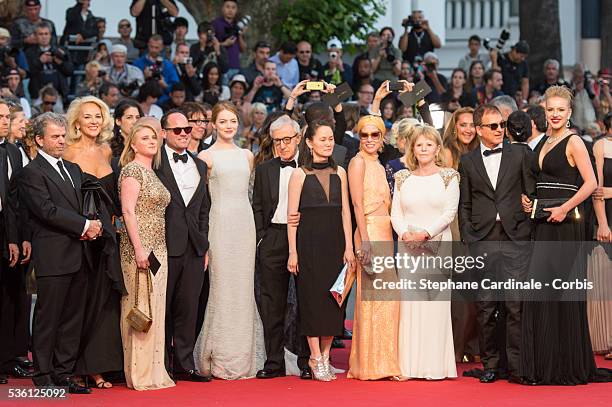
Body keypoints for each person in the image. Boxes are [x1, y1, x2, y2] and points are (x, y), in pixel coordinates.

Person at [520, 86, 602, 385]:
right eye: (550, 109)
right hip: (544, 221)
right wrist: (532, 203)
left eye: (560, 110)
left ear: (569, 113)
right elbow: (546, 183)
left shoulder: (574, 141)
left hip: (565, 226)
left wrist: (565, 208)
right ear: (544, 110)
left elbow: (591, 182)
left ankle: (563, 366)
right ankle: (544, 366)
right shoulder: (545, 140)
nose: (554, 114)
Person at [20, 112, 102, 394]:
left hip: (79, 252)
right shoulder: (31, 173)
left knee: (72, 318)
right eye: (54, 136)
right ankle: (43, 375)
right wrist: (84, 225)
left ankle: (64, 373)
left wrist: (93, 222)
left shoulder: (73, 169)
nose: (60, 141)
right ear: (39, 139)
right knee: (48, 317)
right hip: (53, 255)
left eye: (62, 136)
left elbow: (82, 203)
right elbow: (46, 211)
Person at [458, 103, 536, 384]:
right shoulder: (467, 162)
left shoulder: (520, 153)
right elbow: (464, 203)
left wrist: (528, 216)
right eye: (493, 126)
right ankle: (490, 364)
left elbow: (532, 191)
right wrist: (469, 235)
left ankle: (516, 367)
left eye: (502, 125)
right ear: (479, 130)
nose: (500, 130)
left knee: (515, 305)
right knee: (486, 306)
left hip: (515, 237)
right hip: (483, 240)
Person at [194, 101, 265, 379]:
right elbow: (201, 201)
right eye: (222, 121)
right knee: (222, 288)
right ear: (213, 124)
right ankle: (219, 356)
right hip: (219, 225)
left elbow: (250, 194)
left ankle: (246, 356)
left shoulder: (248, 155)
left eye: (232, 121)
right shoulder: (205, 157)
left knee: (244, 287)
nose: (228, 126)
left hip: (244, 226)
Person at [62, 96, 124, 389]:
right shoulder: (69, 151)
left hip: (109, 236)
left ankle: (96, 366)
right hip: (80, 235)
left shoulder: (106, 149)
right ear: (76, 121)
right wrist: (82, 227)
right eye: (87, 116)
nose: (93, 121)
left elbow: (113, 197)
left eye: (98, 116)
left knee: (104, 301)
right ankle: (72, 366)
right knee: (80, 301)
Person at [287, 119, 355, 381]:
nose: (328, 144)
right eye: (323, 139)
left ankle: (326, 355)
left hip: (336, 245)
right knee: (312, 301)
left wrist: (349, 247)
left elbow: (346, 212)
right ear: (310, 142)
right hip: (308, 245)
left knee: (333, 302)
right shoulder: (299, 174)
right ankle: (315, 356)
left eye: (330, 139)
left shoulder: (341, 172)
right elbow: (292, 216)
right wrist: (293, 252)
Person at [391, 124, 458, 380]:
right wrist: (405, 234)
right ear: (412, 149)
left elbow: (449, 213)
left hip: (438, 246)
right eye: (419, 145)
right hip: (408, 248)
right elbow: (396, 212)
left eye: (429, 144)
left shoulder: (449, 176)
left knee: (434, 304)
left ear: (437, 148)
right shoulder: (402, 178)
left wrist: (425, 234)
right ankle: (408, 366)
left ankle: (435, 366)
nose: (424, 149)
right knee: (411, 305)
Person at [252, 115, 312, 379]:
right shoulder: (265, 169)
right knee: (271, 303)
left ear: (299, 139)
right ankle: (274, 362)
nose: (282, 146)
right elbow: (258, 207)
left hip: (305, 237)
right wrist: (262, 237)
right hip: (273, 239)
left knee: (305, 302)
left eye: (287, 140)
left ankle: (306, 361)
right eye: (277, 141)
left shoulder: (312, 167)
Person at [155, 109, 212, 382]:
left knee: (188, 307)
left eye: (187, 130)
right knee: (162, 307)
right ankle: (161, 363)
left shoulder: (200, 165)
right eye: (176, 130)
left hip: (194, 248)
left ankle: (185, 363)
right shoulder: (154, 165)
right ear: (164, 132)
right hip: (163, 245)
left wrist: (204, 242)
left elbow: (203, 208)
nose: (183, 134)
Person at [118, 119, 174, 390]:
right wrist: (139, 248)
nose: (151, 141)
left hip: (159, 250)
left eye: (153, 137)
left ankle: (154, 372)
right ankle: (138, 375)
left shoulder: (153, 172)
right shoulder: (132, 170)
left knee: (156, 309)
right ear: (133, 144)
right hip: (139, 251)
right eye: (144, 138)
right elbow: (128, 212)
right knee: (140, 308)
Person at [347, 115, 401, 380]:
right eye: (364, 135)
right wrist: (365, 240)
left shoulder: (379, 164)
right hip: (368, 232)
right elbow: (356, 204)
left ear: (382, 138)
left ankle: (386, 361)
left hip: (385, 233)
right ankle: (369, 364)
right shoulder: (357, 164)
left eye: (374, 135)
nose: (369, 140)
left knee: (387, 299)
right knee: (371, 300)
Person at [0, 100, 29, 384]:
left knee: (10, 295)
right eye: (1, 116)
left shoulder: (12, 151)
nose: (6, 121)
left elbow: (16, 200)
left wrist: (20, 238)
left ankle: (7, 359)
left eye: (8, 116)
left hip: (9, 230)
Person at [588, 116, 612, 360]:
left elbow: (607, 190)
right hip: (608, 219)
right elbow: (597, 189)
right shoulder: (600, 146)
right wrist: (602, 223)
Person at [25, 22, 74, 105]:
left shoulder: (60, 50)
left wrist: (58, 62)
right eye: (40, 34)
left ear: (50, 35)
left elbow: (70, 71)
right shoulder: (29, 52)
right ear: (36, 36)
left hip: (58, 94)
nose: (44, 37)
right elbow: (27, 73)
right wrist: (40, 62)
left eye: (46, 34)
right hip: (38, 95)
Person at [133, 35, 180, 104]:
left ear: (162, 47)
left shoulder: (168, 65)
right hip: (143, 101)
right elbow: (132, 86)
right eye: (151, 47)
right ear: (148, 45)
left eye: (156, 47)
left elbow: (176, 88)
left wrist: (165, 85)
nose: (153, 50)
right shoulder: (138, 63)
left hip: (164, 102)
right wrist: (143, 77)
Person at [211, 0, 248, 81]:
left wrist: (240, 35)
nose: (230, 10)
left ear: (236, 10)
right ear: (222, 8)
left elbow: (243, 49)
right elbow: (209, 45)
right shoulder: (215, 23)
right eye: (227, 7)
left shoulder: (238, 24)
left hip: (236, 66)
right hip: (220, 66)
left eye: (233, 8)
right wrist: (224, 44)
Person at [384, 118, 419, 196]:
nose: (396, 142)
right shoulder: (427, 160)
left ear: (403, 139)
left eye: (396, 138)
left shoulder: (393, 165)